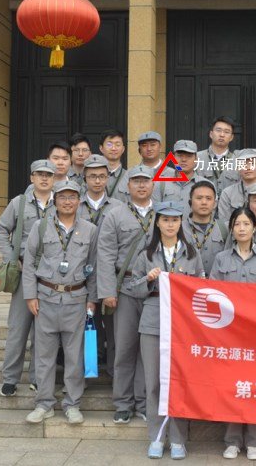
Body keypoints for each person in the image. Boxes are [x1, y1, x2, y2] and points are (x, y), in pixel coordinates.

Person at [126, 200, 205, 460]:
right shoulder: (146, 255)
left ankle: (179, 439)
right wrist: (148, 279)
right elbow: (133, 289)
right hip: (153, 322)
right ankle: (157, 437)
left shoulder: (191, 254)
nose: (170, 225)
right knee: (154, 383)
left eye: (175, 220)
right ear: (157, 223)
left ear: (181, 223)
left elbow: (202, 288)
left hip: (183, 326)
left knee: (180, 383)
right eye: (165, 220)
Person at [22, 180, 98, 425]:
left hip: (76, 300)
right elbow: (29, 263)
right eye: (63, 197)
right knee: (44, 356)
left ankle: (72, 404)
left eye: (72, 197)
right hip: (46, 298)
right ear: (55, 200)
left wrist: (92, 299)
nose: (67, 201)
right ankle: (44, 404)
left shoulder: (90, 229)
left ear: (79, 201)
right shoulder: (41, 226)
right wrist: (30, 295)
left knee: (75, 357)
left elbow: (95, 266)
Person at [211, 206, 256, 460]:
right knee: (232, 387)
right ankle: (232, 441)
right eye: (237, 224)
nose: (241, 228)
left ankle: (253, 442)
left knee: (255, 388)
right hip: (229, 335)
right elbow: (212, 295)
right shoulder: (221, 259)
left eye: (246, 224)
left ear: (254, 228)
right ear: (231, 228)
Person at [96, 165, 156, 424]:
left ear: (153, 184)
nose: (141, 185)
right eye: (136, 181)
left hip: (154, 291)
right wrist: (108, 291)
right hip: (126, 287)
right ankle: (122, 402)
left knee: (147, 350)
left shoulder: (163, 213)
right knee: (124, 347)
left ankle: (143, 402)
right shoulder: (115, 214)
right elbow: (105, 255)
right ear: (127, 186)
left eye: (146, 181)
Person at [0, 159, 55, 398]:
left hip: (49, 275)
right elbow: (1, 229)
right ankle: (10, 378)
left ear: (54, 179)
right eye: (39, 174)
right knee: (18, 328)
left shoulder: (61, 203)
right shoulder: (19, 203)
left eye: (48, 175)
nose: (44, 178)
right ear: (32, 178)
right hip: (23, 272)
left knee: (43, 331)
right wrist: (11, 257)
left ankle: (38, 379)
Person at [76, 154, 122, 377]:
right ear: (84, 178)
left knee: (113, 331)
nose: (97, 181)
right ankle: (82, 377)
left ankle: (114, 376)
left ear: (108, 179)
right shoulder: (74, 205)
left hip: (110, 275)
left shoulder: (119, 207)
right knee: (80, 330)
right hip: (78, 276)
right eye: (92, 176)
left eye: (102, 176)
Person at [182, 179, 229, 277]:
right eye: (199, 198)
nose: (204, 202)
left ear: (215, 203)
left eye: (208, 198)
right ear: (190, 202)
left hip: (216, 283)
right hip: (189, 283)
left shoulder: (224, 228)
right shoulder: (180, 229)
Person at [197, 116, 240, 192]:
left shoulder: (238, 161)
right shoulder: (197, 158)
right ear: (211, 134)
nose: (222, 135)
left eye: (226, 132)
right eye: (218, 130)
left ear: (231, 137)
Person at [154, 140, 200, 204]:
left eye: (189, 156)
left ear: (196, 159)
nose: (184, 160)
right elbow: (154, 208)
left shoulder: (205, 185)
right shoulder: (161, 184)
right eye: (180, 155)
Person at [100, 129, 130, 203]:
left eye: (117, 145)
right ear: (101, 148)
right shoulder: (92, 176)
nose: (113, 148)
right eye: (109, 144)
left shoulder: (129, 177)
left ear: (123, 149)